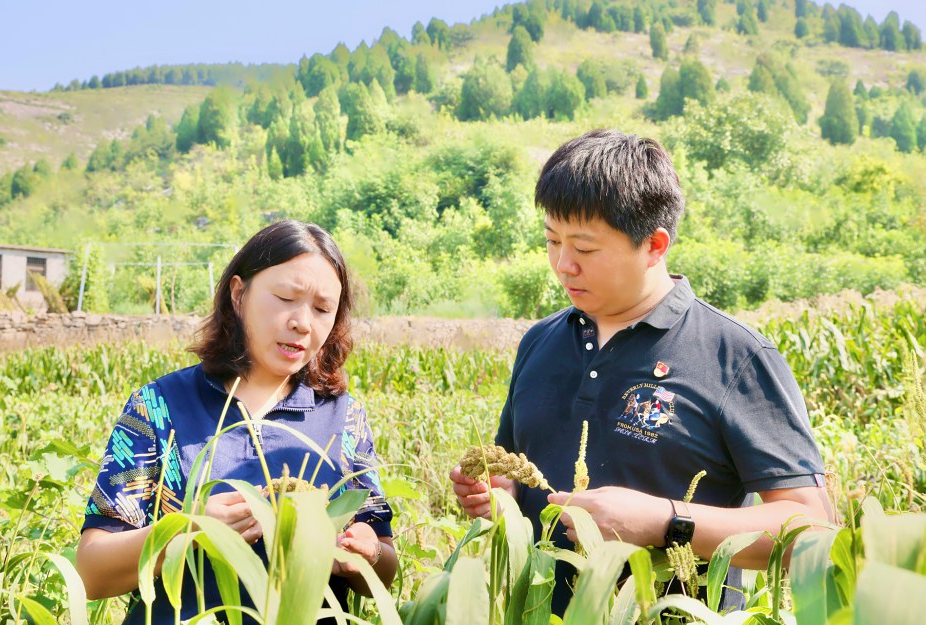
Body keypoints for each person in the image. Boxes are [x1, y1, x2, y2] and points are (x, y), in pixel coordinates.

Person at [450, 130, 834, 615]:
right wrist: (500, 496)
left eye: (585, 250)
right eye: (552, 241)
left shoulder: (735, 356)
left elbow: (812, 532)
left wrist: (666, 522)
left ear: (654, 245)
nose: (562, 265)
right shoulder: (540, 343)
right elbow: (518, 473)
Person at [77, 220, 397, 623]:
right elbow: (91, 572)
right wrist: (188, 529)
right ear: (238, 294)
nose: (303, 322)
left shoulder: (343, 416)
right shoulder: (158, 407)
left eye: (322, 309)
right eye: (285, 297)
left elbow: (383, 570)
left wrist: (365, 553)